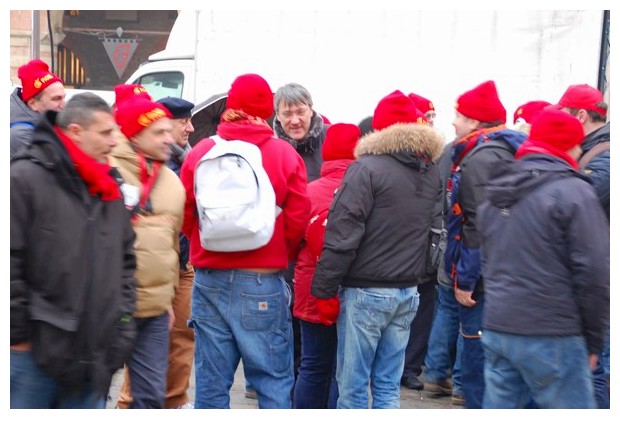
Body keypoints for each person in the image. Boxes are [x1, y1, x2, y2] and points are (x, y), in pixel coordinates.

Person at [180, 73, 310, 408]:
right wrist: (278, 249)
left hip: (208, 279)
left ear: (230, 107)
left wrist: (204, 243)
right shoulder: (283, 154)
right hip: (262, 279)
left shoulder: (201, 152)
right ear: (268, 111)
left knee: (210, 383)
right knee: (273, 381)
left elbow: (184, 213)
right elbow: (298, 219)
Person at [311, 90, 443, 408]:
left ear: (379, 130)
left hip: (366, 290)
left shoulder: (366, 169)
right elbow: (433, 232)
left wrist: (324, 289)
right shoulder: (428, 171)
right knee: (386, 386)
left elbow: (342, 234)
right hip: (407, 290)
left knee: (353, 387)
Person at [10, 92, 137, 408]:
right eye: (106, 132)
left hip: (93, 358)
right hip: (32, 360)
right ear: (76, 132)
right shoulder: (26, 177)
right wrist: (18, 337)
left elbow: (125, 264)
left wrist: (121, 333)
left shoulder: (110, 187)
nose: (114, 142)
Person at [478, 109, 610, 408]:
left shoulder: (497, 191)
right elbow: (594, 274)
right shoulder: (575, 192)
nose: (581, 153)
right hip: (552, 332)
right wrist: (593, 340)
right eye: (578, 146)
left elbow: (488, 259)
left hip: (500, 326)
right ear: (567, 147)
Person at [443, 80, 527, 408]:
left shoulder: (480, 158)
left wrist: (465, 280)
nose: (454, 121)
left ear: (476, 122)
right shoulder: (506, 149)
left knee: (478, 358)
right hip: (504, 272)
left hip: (483, 279)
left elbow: (477, 225)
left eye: (459, 115)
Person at [114, 96, 196, 409]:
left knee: (148, 398)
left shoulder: (173, 182)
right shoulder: (107, 171)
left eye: (167, 130)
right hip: (113, 303)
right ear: (135, 134)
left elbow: (170, 245)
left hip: (156, 308)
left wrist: (167, 298)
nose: (169, 138)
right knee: (89, 390)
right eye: (159, 132)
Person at [292, 122, 360, 409]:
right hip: (353, 287)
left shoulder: (309, 191)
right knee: (341, 371)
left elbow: (292, 239)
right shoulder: (365, 189)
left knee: (312, 365)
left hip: (312, 288)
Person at [553, 83, 610, 408]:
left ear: (582, 115)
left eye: (564, 114)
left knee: (592, 371)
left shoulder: (604, 158)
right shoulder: (595, 150)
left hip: (595, 275)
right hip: (589, 271)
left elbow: (575, 200)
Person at [400, 94, 441, 393]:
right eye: (425, 118)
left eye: (431, 118)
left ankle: (410, 366)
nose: (430, 123)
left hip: (425, 243)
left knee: (423, 307)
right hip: (401, 244)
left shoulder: (435, 158)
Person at [421, 138, 464, 406]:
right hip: (465, 239)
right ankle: (460, 382)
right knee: (465, 315)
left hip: (449, 234)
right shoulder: (478, 150)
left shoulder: (450, 149)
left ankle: (436, 374)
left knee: (447, 307)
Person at [273, 82, 329, 183]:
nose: (295, 121)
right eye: (287, 114)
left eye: (300, 112)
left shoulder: (331, 138)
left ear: (311, 110)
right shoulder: (272, 150)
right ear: (278, 115)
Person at [10, 59, 65, 159]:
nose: (63, 105)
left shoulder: (44, 124)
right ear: (33, 104)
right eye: (56, 99)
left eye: (63, 97)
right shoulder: (22, 134)